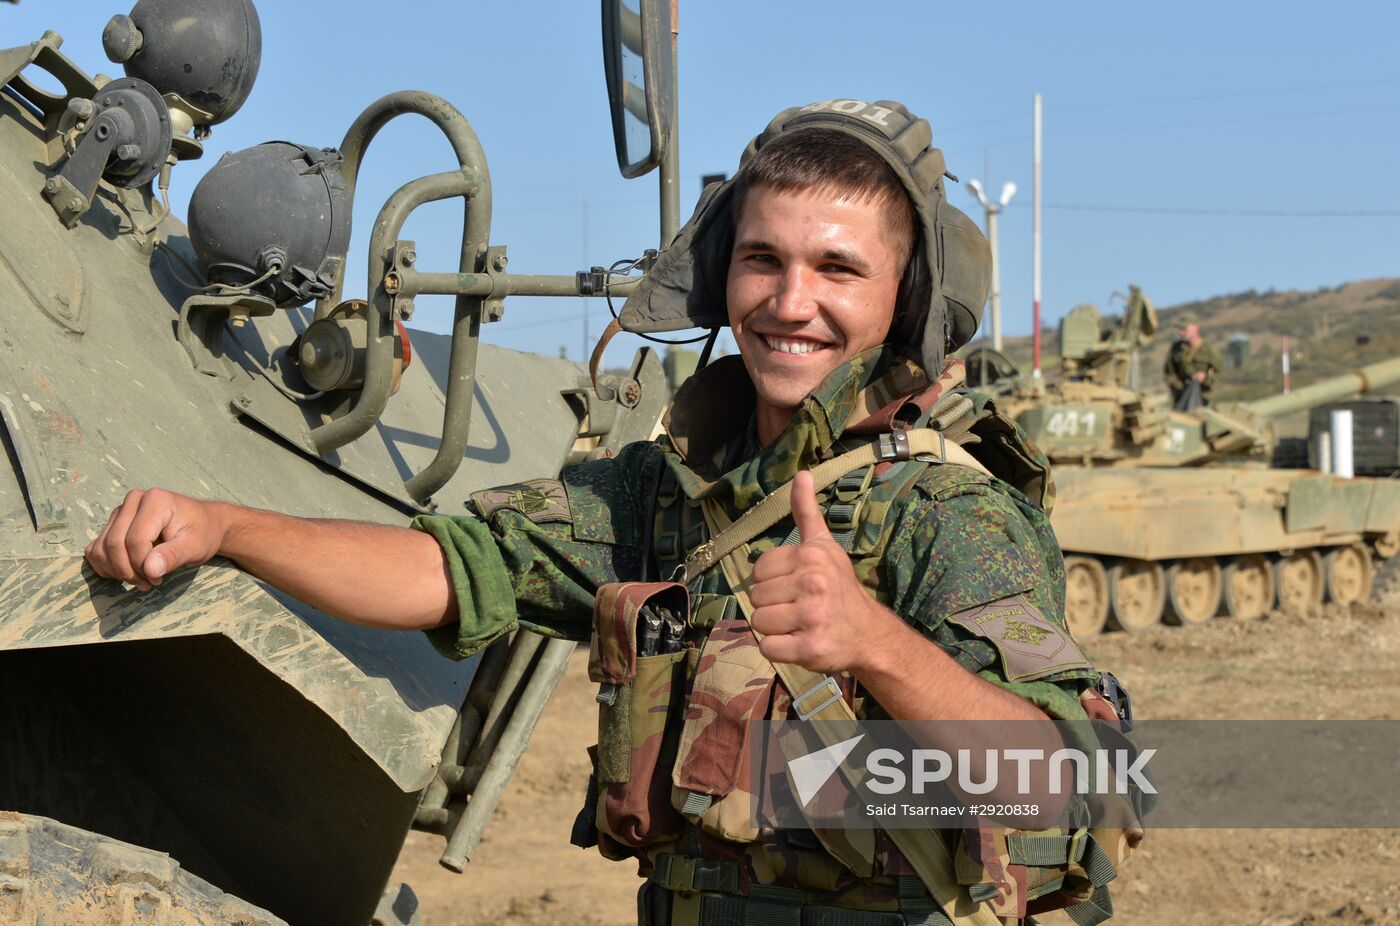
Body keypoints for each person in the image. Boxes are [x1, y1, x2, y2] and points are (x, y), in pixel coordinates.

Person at [85, 100, 1135, 925]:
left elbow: (1057, 779)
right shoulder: (659, 492)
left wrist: (871, 640)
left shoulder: (945, 510)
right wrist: (228, 527)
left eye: (837, 269)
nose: (788, 300)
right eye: (762, 258)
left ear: (902, 301)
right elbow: (448, 568)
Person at [1163, 312, 1222, 410]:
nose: (1181, 332)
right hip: (1181, 399)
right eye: (1180, 329)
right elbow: (1169, 373)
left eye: (1184, 329)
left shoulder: (1208, 349)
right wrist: (1180, 388)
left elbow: (1221, 373)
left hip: (1204, 399)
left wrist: (1205, 377)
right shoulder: (1176, 348)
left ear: (1196, 327)